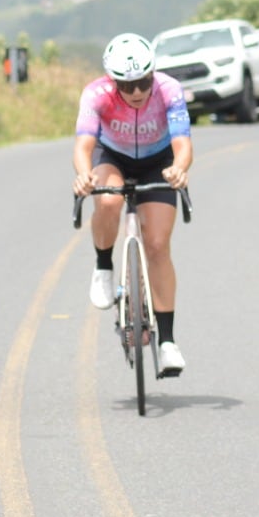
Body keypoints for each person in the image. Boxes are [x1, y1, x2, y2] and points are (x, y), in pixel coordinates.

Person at [72, 32, 193, 375]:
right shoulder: (96, 94)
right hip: (113, 156)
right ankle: (103, 266)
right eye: (127, 86)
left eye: (143, 82)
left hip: (158, 160)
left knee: (157, 245)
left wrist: (179, 169)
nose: (137, 92)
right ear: (112, 81)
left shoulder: (169, 90)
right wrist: (84, 175)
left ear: (153, 73)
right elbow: (83, 146)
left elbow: (182, 144)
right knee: (109, 201)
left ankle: (167, 342)